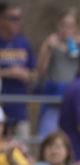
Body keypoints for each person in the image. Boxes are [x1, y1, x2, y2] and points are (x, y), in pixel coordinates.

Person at [35, 8, 80, 138]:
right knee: (48, 137)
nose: (66, 29)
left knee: (72, 139)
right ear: (58, 26)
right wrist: (49, 48)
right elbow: (40, 71)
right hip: (53, 99)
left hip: (73, 100)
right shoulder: (50, 43)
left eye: (71, 26)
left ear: (76, 28)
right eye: (63, 25)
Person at [0, 2, 36, 140]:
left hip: (19, 110)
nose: (17, 22)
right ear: (1, 19)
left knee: (22, 153)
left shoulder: (24, 43)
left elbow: (34, 75)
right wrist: (8, 73)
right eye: (13, 18)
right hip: (2, 107)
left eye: (19, 18)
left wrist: (27, 75)